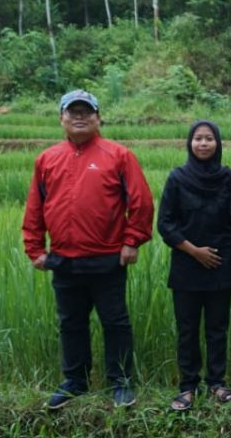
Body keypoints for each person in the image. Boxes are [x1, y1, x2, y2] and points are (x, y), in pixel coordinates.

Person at [22, 89, 153, 409]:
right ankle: (75, 381)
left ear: (98, 117)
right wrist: (35, 247)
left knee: (115, 322)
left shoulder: (119, 155)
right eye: (73, 112)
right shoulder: (47, 159)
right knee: (70, 322)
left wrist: (132, 240)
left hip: (107, 258)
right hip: (64, 259)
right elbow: (35, 207)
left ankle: (121, 382)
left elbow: (141, 201)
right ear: (61, 118)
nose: (79, 117)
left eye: (86, 112)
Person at [157, 120, 231, 411]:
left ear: (217, 143)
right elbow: (165, 224)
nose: (203, 144)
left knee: (218, 327)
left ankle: (217, 383)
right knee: (188, 328)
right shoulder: (178, 178)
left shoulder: (228, 177)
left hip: (222, 262)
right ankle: (188, 386)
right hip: (187, 264)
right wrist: (194, 251)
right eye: (198, 139)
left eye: (209, 139)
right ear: (189, 143)